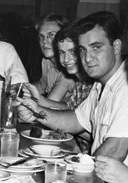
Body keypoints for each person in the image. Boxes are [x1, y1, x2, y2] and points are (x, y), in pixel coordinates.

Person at [17, 11, 128, 164]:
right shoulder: (100, 85)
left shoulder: (124, 85)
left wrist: (76, 167)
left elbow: (112, 154)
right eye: (82, 50)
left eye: (96, 47)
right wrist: (36, 112)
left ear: (115, 47)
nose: (87, 58)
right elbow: (74, 120)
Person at [34, 14, 75, 105]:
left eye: (51, 35)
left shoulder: (70, 69)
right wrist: (21, 88)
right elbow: (42, 85)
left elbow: (50, 105)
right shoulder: (47, 61)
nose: (44, 41)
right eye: (41, 37)